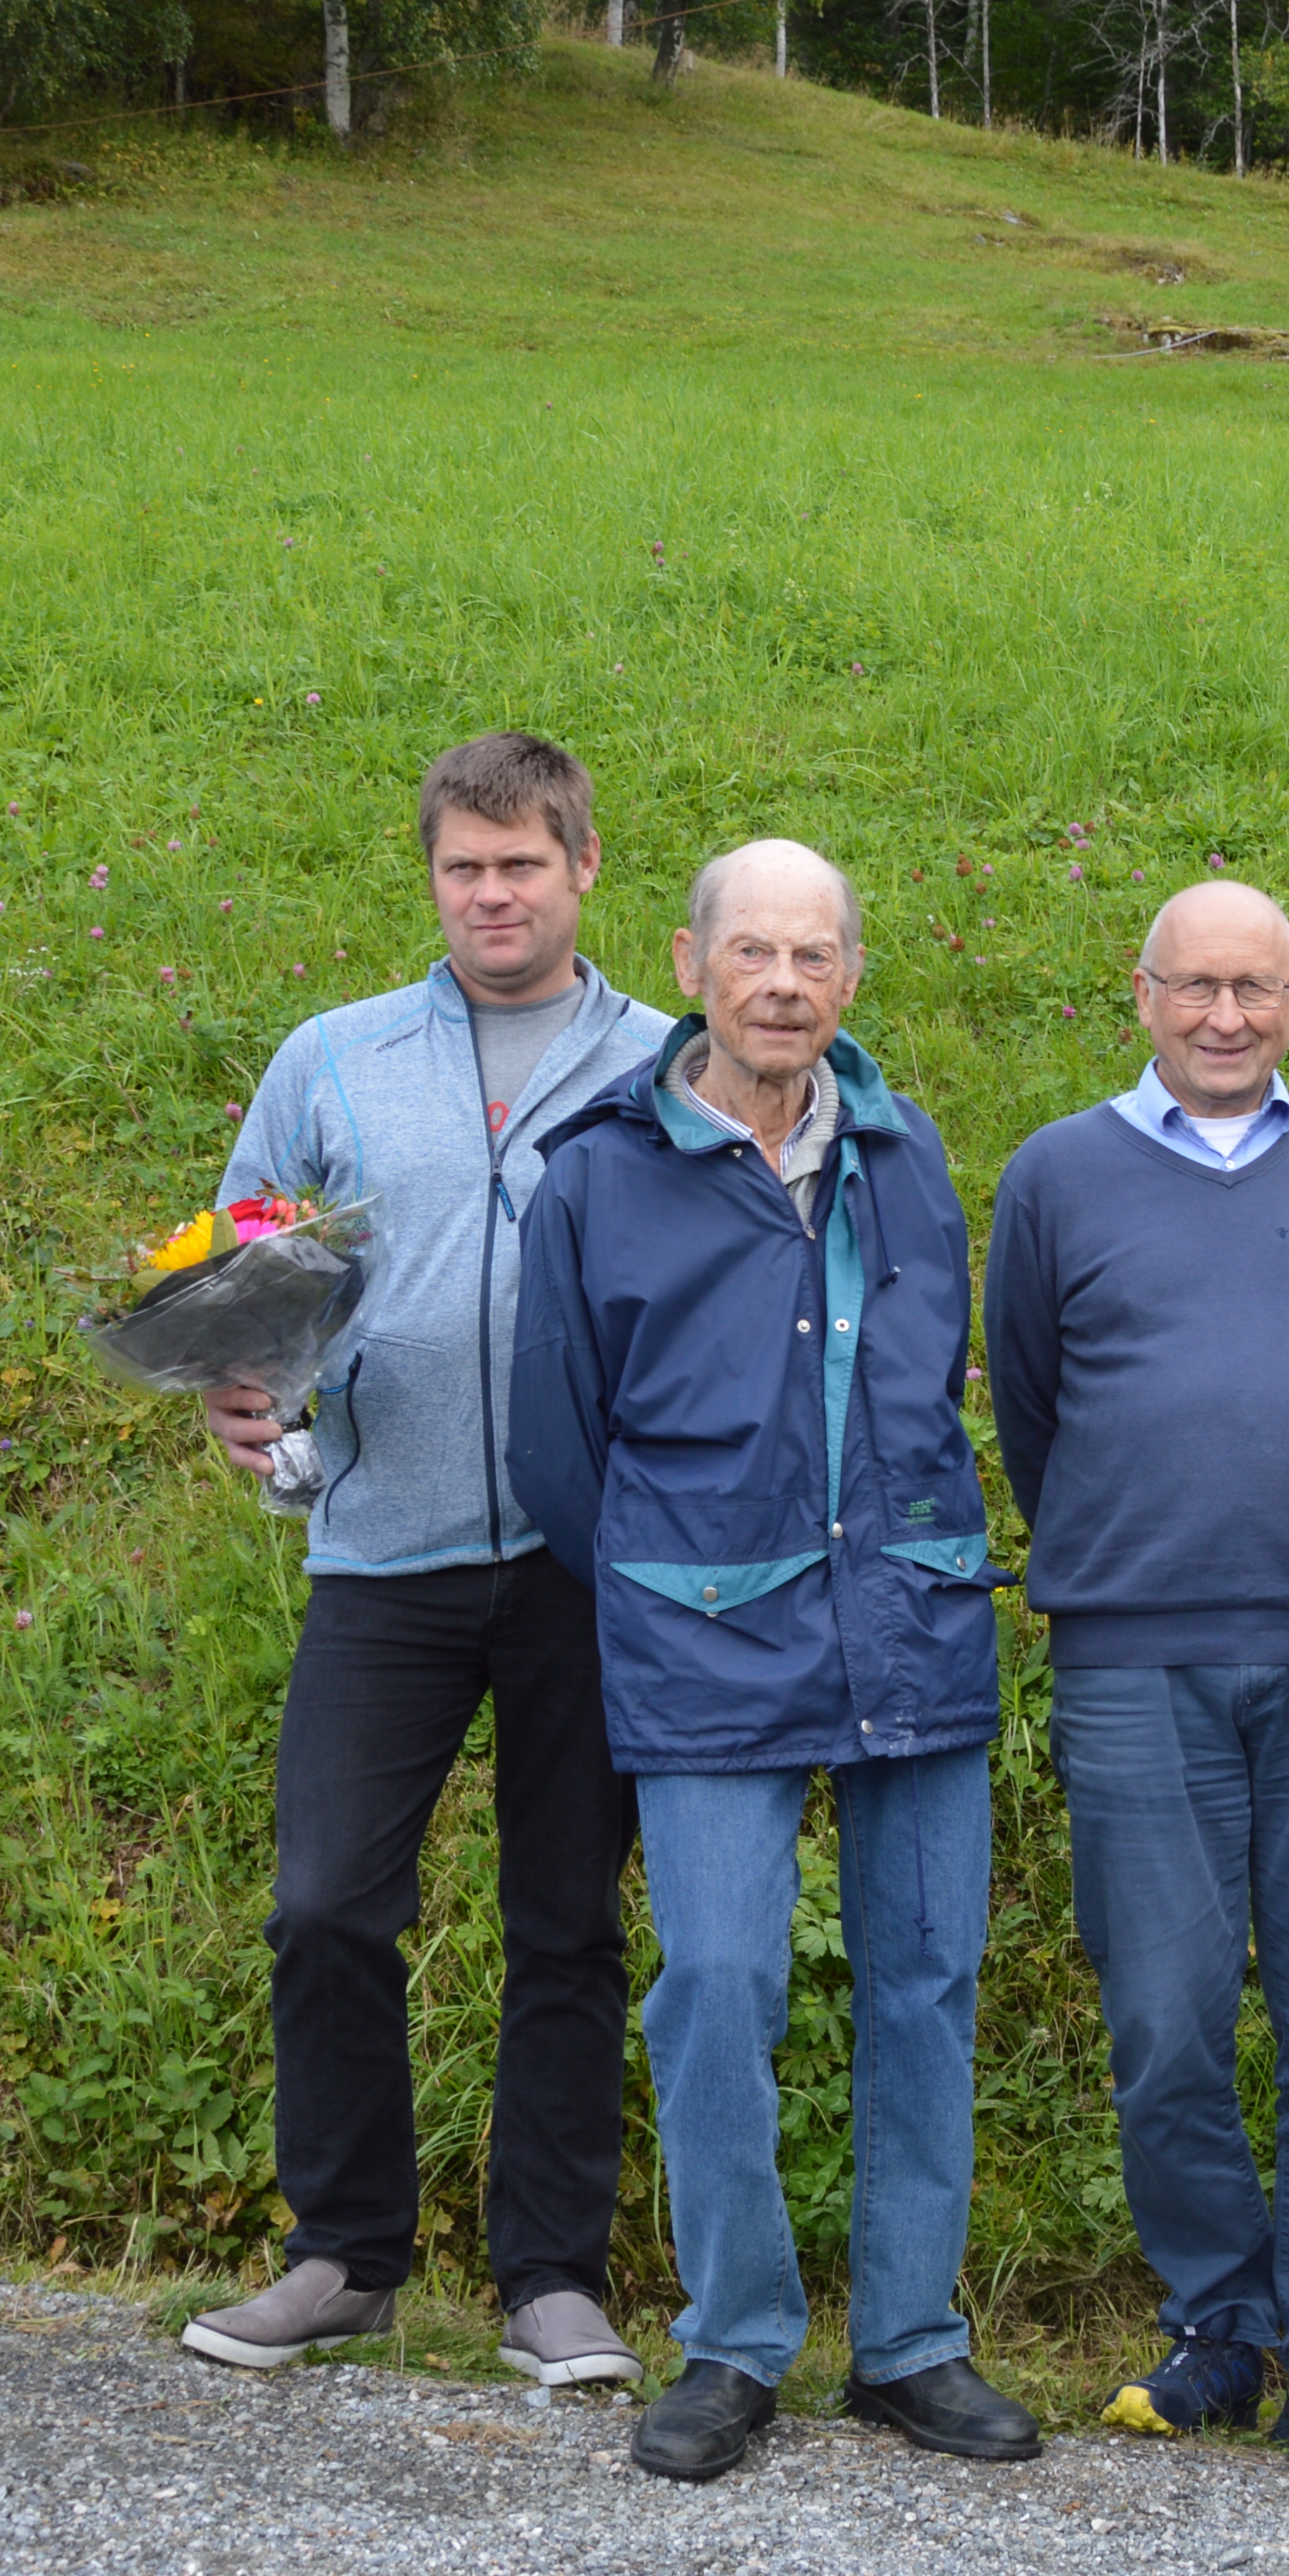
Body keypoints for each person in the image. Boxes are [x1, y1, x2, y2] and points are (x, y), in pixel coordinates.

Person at [505, 839, 1040, 2484]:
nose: (784, 983)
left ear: (851, 978)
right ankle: (734, 2335)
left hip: (914, 1627)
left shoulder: (904, 1149)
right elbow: (557, 1448)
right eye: (755, 952)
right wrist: (689, 1583)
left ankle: (909, 2341)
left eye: (814, 955)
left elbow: (947, 1381)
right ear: (692, 962)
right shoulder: (601, 1168)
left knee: (924, 1981)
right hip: (703, 1638)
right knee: (717, 1983)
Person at [183, 731, 670, 2389]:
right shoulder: (334, 1056)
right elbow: (248, 1258)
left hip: (581, 1559)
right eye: (462, 866)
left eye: (521, 863)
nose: (490, 894)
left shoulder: (661, 1061)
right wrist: (236, 1401)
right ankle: (344, 2253)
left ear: (584, 866)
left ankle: (548, 2275)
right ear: (431, 876)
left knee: (565, 1923)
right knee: (323, 1900)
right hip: (378, 1546)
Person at [984, 882, 1289, 2471]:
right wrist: (1122, 1544)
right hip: (1131, 1646)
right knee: (1164, 2017)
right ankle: (1213, 2323)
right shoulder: (1055, 1173)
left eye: (1254, 987)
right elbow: (1031, 1399)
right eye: (1195, 986)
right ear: (1142, 991)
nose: (1223, 1015)